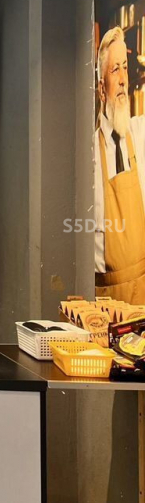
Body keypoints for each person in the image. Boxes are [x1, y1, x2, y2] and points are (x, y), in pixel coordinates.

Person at [94, 26, 145, 302]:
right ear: (101, 89)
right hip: (106, 301)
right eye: (115, 70)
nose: (124, 79)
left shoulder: (140, 134)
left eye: (125, 68)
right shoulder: (89, 154)